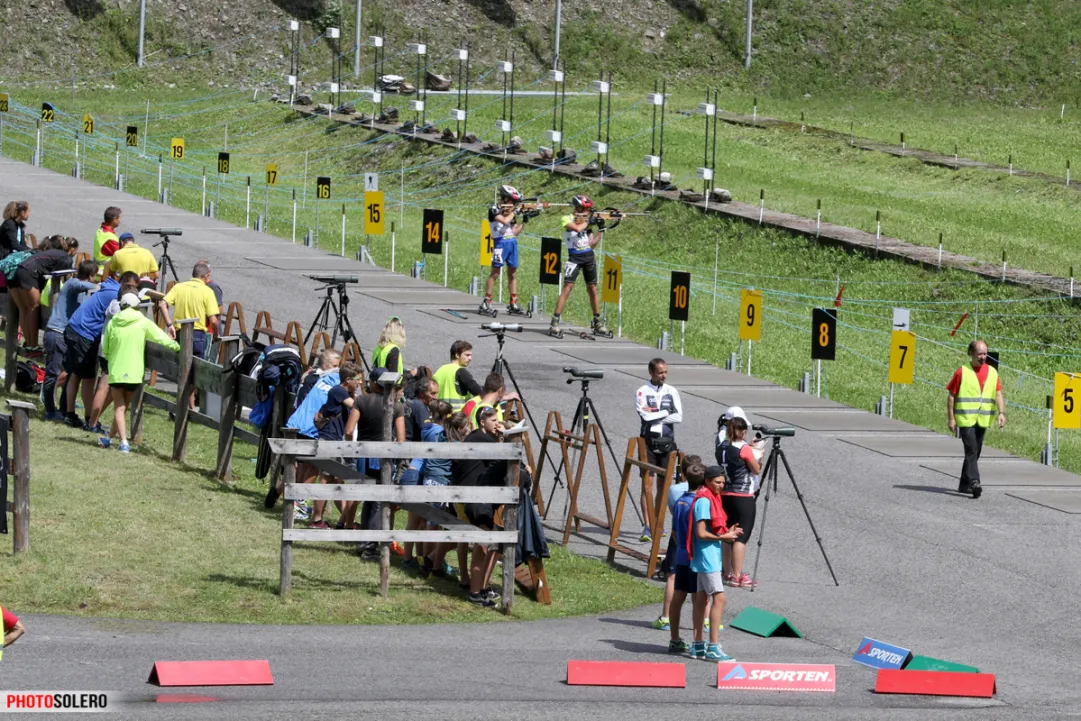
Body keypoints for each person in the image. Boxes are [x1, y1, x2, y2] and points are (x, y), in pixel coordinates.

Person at [98, 292, 180, 452]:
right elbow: (160, 337)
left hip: (116, 370)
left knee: (119, 408)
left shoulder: (113, 322)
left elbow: (105, 348)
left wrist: (111, 357)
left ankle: (123, 442)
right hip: (135, 372)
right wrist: (176, 346)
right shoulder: (142, 322)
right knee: (123, 408)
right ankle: (109, 439)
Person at [452, 405, 505, 607]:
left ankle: (477, 586)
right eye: (494, 421)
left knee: (481, 543)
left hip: (469, 497)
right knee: (482, 545)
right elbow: (502, 460)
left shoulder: (478, 437)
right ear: (482, 422)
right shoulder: (482, 439)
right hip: (473, 498)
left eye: (498, 420)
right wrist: (505, 441)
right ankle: (476, 592)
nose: (498, 424)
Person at [688, 465, 740, 662]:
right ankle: (713, 647)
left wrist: (727, 532)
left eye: (723, 483)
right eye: (717, 482)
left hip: (707, 556)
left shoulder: (710, 497)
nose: (721, 486)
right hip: (707, 557)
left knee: (702, 599)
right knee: (720, 599)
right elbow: (700, 533)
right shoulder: (703, 500)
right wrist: (723, 537)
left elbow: (712, 529)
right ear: (707, 481)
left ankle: (697, 644)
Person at [349, 368, 406, 549]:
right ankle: (370, 543)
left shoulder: (361, 401)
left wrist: (351, 448)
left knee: (369, 499)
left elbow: (349, 431)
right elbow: (401, 439)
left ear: (373, 383)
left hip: (364, 456)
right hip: (383, 457)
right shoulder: (396, 406)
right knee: (379, 501)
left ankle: (366, 540)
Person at [307, 362, 366, 527]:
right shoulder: (338, 391)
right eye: (357, 380)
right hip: (329, 440)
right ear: (348, 380)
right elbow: (357, 407)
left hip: (336, 441)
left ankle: (346, 520)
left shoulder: (345, 393)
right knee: (325, 479)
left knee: (338, 480)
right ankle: (316, 520)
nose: (360, 383)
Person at [63, 272, 123, 429]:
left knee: (75, 373)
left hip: (73, 327)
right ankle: (90, 420)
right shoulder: (116, 295)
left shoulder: (108, 287)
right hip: (85, 334)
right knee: (88, 379)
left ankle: (70, 414)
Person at [946, 340, 1006, 499]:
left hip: (983, 419)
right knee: (971, 450)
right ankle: (974, 482)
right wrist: (951, 418)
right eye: (980, 354)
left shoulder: (993, 372)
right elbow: (952, 396)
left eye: (985, 353)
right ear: (971, 353)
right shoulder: (962, 372)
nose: (983, 357)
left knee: (975, 452)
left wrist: (1001, 413)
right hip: (965, 418)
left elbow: (998, 393)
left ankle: (963, 485)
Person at [42, 259, 98, 421]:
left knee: (71, 373)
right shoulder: (72, 284)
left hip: (67, 335)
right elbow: (79, 285)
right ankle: (50, 411)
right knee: (52, 374)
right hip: (56, 333)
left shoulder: (81, 291)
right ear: (89, 276)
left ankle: (65, 410)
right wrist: (98, 287)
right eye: (95, 277)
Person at [85, 272, 140, 434]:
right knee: (104, 387)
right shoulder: (120, 309)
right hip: (112, 352)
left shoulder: (114, 304)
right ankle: (92, 422)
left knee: (111, 389)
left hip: (107, 350)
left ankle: (94, 419)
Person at [635, 358, 683, 542]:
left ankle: (659, 523)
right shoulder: (642, 391)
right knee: (647, 485)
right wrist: (664, 414)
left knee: (664, 487)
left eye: (665, 372)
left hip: (668, 442)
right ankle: (647, 526)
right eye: (660, 372)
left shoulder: (672, 391)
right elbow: (645, 416)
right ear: (651, 373)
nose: (663, 375)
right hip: (648, 442)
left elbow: (678, 416)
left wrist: (657, 416)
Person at [652, 454, 701, 631]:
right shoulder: (704, 491)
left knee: (673, 576)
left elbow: (674, 512)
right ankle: (706, 620)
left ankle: (666, 616)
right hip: (697, 539)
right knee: (703, 579)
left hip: (678, 535)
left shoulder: (674, 490)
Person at [549, 194, 609, 337]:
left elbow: (591, 244)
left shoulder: (586, 224)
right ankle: (555, 321)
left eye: (589, 210)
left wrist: (600, 230)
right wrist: (589, 221)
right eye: (587, 209)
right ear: (578, 208)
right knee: (567, 288)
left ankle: (597, 321)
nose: (589, 212)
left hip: (588, 257)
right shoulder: (567, 219)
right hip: (574, 258)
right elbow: (575, 229)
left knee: (593, 288)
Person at [9, 236, 77, 354]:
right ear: (72, 249)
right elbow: (61, 279)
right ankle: (33, 345)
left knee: (25, 309)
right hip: (29, 273)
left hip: (20, 270)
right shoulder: (66, 258)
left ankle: (29, 343)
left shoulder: (54, 253)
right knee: (34, 307)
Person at [666, 462, 706, 654]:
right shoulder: (698, 503)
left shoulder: (680, 500)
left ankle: (674, 638)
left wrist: (681, 545)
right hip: (695, 556)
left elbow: (674, 531)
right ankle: (698, 641)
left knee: (679, 596)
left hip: (681, 553)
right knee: (699, 599)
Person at [399, 376, 438, 569]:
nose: (435, 397)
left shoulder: (409, 403)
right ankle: (411, 558)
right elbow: (427, 434)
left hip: (407, 460)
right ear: (423, 393)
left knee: (415, 516)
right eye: (432, 393)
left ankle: (415, 557)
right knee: (416, 516)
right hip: (414, 464)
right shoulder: (422, 409)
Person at [720, 416, 762, 589]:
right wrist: (758, 454)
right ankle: (738, 576)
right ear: (743, 431)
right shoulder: (744, 448)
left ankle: (727, 572)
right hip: (743, 496)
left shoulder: (722, 446)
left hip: (725, 494)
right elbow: (756, 469)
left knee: (728, 534)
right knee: (740, 537)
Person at [480, 185, 530, 315]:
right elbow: (503, 221)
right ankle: (487, 301)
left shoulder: (510, 212)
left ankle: (513, 302)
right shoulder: (494, 209)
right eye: (512, 201)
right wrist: (515, 211)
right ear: (505, 198)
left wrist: (524, 222)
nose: (513, 204)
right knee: (495, 273)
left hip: (511, 242)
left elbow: (514, 232)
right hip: (500, 243)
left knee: (513, 273)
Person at [160, 261, 220, 360]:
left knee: (179, 364)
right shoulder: (208, 291)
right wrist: (216, 335)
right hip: (198, 335)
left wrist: (169, 325)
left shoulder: (178, 287)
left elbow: (162, 304)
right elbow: (213, 320)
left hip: (179, 332)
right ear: (206, 276)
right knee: (196, 370)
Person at [433, 340, 483, 412]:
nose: (470, 358)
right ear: (457, 355)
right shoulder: (461, 372)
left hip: (440, 415)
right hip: (457, 417)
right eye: (467, 355)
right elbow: (479, 392)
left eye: (471, 355)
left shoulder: (439, 370)